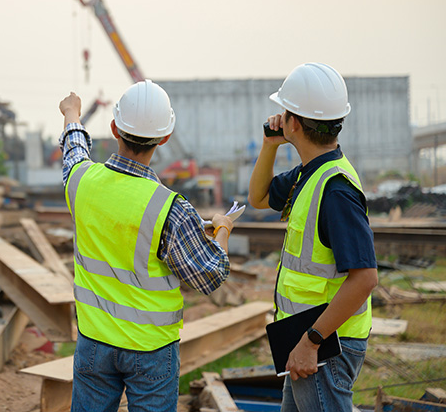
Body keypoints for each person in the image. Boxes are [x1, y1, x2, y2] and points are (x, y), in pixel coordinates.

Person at [58, 80, 233, 412]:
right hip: (151, 350)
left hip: (95, 341)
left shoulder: (82, 183)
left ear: (113, 128)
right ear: (165, 138)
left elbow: (74, 152)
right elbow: (211, 274)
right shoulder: (171, 208)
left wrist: (72, 115)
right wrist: (222, 230)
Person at [247, 63, 378, 410]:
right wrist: (270, 145)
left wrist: (311, 341)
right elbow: (258, 198)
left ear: (293, 123)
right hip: (306, 337)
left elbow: (365, 278)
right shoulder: (311, 172)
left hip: (324, 343)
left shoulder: (334, 189)